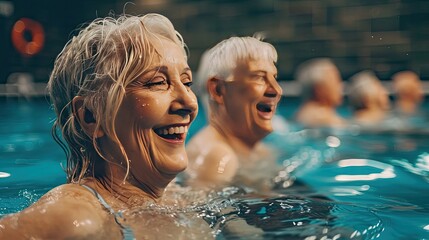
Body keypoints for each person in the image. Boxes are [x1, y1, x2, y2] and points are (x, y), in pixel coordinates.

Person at [0, 14, 213, 239]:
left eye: (187, 82)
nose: (189, 103)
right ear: (91, 117)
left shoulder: (179, 198)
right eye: (157, 83)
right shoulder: (74, 216)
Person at [185, 36, 283, 189]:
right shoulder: (217, 156)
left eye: (274, 77)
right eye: (258, 77)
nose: (276, 90)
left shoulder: (261, 151)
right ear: (218, 90)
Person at [294, 58, 346, 128]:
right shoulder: (325, 119)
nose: (341, 86)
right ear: (319, 88)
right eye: (336, 80)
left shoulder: (302, 114)